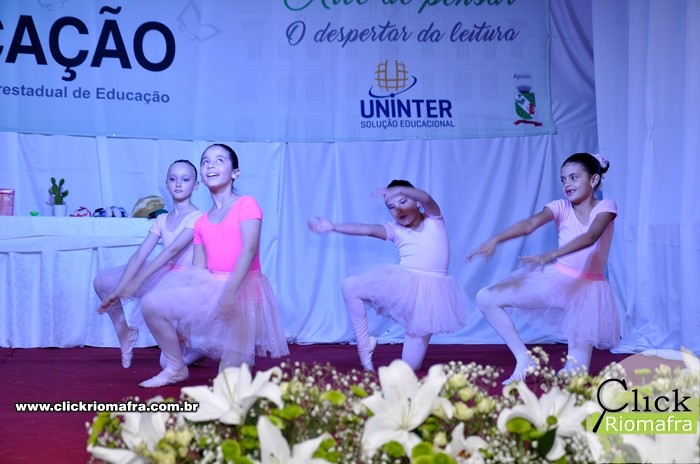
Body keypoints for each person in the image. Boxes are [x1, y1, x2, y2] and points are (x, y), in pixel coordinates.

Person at [138, 143, 289, 388]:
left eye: (219, 160)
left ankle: (234, 368)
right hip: (212, 288)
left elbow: (249, 250)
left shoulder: (246, 204)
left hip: (243, 290)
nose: (211, 165)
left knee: (228, 388)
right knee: (151, 303)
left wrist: (230, 293)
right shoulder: (201, 221)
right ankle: (176, 367)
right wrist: (189, 310)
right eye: (206, 161)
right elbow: (198, 270)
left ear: (235, 173)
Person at [466, 153, 620, 384]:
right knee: (486, 298)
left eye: (574, 177)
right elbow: (529, 224)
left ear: (594, 180)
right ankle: (524, 359)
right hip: (559, 281)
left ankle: (569, 379)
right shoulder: (560, 207)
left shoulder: (606, 206)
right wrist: (496, 239)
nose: (567, 184)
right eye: (563, 179)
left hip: (587, 291)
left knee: (575, 378)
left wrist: (553, 253)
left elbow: (591, 236)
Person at [308, 180, 472, 371]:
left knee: (409, 368)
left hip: (429, 297)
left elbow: (427, 198)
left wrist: (400, 189)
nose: (398, 210)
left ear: (417, 202)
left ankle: (409, 352)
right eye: (391, 207)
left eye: (403, 201)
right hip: (404, 285)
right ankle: (365, 345)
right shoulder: (395, 229)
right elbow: (367, 229)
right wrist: (334, 227)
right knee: (350, 286)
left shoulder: (434, 219)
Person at [93, 159, 202, 368]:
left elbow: (172, 251)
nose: (178, 184)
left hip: (185, 282)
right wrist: (118, 290)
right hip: (163, 274)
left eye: (185, 179)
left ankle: (199, 350)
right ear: (166, 183)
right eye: (173, 179)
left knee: (166, 363)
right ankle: (125, 333)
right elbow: (140, 255)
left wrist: (136, 281)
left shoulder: (197, 217)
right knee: (102, 281)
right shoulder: (162, 219)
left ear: (196, 185)